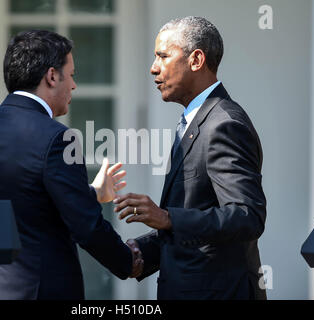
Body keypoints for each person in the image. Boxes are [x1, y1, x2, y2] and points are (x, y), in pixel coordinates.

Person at [0, 30, 142, 300]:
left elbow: (27, 203)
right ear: (52, 76)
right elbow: (86, 227)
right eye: (71, 74)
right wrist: (128, 261)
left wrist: (91, 192)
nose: (74, 85)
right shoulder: (58, 138)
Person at [114, 16, 267, 300]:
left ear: (196, 60)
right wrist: (144, 251)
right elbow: (200, 213)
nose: (153, 68)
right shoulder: (196, 122)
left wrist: (166, 217)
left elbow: (247, 217)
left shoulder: (224, 124)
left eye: (163, 56)